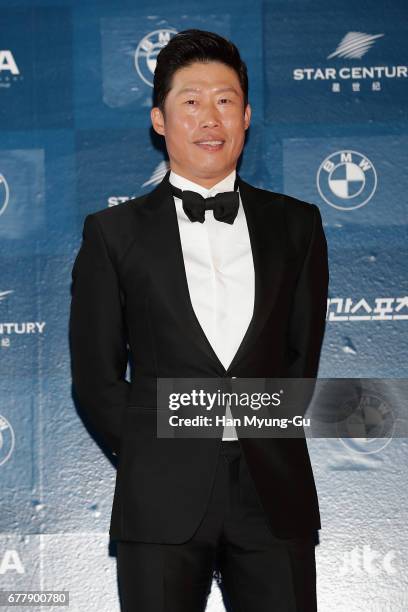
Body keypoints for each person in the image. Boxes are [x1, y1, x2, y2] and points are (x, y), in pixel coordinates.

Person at [69, 29, 329, 612]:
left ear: (246, 116)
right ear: (160, 120)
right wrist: (154, 453)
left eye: (225, 100)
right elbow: (95, 376)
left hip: (273, 491)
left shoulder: (299, 225)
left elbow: (299, 360)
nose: (209, 117)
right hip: (160, 495)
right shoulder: (112, 234)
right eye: (190, 101)